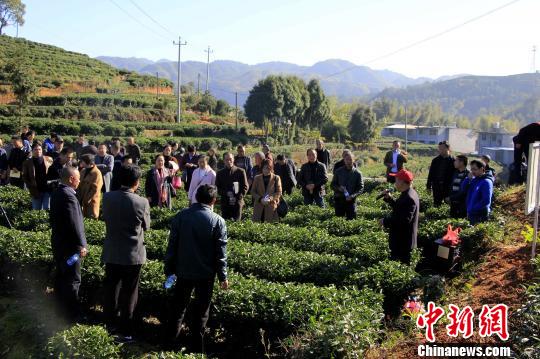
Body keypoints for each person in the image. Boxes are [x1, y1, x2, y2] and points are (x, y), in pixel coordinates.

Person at [164, 184, 228, 353]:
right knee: (201, 311)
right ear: (214, 200)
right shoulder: (218, 221)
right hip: (205, 274)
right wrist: (223, 276)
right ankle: (196, 350)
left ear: (196, 197)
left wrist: (169, 270)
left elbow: (172, 246)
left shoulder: (181, 216)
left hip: (182, 270)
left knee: (178, 308)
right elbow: (220, 253)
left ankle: (170, 345)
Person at [102, 165, 150, 340]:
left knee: (111, 290)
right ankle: (126, 331)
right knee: (129, 293)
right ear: (136, 182)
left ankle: (110, 326)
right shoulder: (141, 202)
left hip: (112, 251)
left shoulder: (107, 198)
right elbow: (147, 225)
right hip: (133, 255)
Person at [49, 166, 87, 320]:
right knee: (73, 280)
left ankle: (58, 309)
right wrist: (82, 245)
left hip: (59, 243)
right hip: (70, 247)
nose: (79, 181)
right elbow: (75, 224)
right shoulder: (69, 196)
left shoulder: (58, 192)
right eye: (78, 178)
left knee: (61, 276)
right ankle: (72, 314)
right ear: (72, 179)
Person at [379, 169, 419, 264]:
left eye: (396, 180)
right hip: (402, 241)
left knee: (400, 266)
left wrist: (385, 221)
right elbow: (400, 208)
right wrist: (389, 199)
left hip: (402, 242)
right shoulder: (408, 193)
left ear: (402, 182)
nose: (394, 182)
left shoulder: (409, 198)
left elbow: (404, 220)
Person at [215, 152, 248, 221]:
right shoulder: (220, 173)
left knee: (237, 224)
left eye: (230, 159)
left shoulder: (241, 171)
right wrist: (226, 193)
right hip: (225, 203)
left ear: (233, 159)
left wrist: (237, 196)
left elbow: (245, 187)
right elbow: (217, 188)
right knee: (225, 224)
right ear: (224, 160)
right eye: (227, 159)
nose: (229, 161)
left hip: (237, 203)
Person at [331, 152, 364, 220]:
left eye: (350, 159)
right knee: (338, 220)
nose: (348, 161)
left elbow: (360, 188)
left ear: (353, 160)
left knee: (351, 220)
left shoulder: (358, 173)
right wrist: (339, 188)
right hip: (339, 199)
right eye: (346, 159)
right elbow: (332, 185)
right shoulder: (338, 171)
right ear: (344, 160)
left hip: (351, 201)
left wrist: (352, 196)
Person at [461, 160, 493, 225]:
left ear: (481, 169)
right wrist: (467, 179)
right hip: (471, 213)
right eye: (471, 169)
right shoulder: (474, 179)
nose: (472, 172)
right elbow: (463, 189)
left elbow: (486, 200)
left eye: (474, 169)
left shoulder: (486, 182)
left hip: (479, 214)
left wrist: (473, 209)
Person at [23, 143, 53, 210]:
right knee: (36, 210)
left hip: (47, 190)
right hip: (36, 191)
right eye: (35, 149)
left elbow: (53, 172)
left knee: (47, 209)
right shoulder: (27, 163)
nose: (38, 151)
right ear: (32, 150)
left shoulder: (49, 159)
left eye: (39, 149)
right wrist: (30, 187)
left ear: (42, 150)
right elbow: (25, 177)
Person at [426, 141, 455, 207]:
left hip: (448, 187)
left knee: (449, 205)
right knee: (436, 204)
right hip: (437, 186)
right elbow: (431, 174)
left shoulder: (453, 160)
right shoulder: (435, 160)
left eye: (442, 148)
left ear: (448, 148)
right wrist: (428, 186)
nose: (440, 150)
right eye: (439, 148)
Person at [77, 154, 104, 219]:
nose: (81, 162)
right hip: (81, 200)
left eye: (82, 161)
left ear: (87, 161)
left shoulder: (97, 173)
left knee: (91, 219)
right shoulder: (83, 171)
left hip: (91, 202)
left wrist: (86, 200)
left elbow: (95, 189)